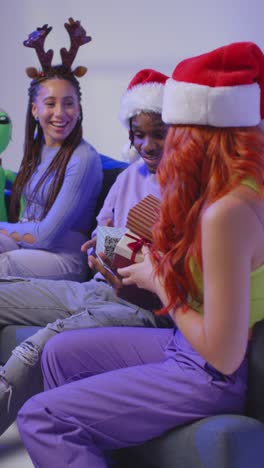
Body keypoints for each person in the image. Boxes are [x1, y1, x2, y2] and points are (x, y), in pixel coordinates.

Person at [16, 41, 264, 467]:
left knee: (40, 417)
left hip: (208, 370)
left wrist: (158, 279)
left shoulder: (227, 212)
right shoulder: (231, 193)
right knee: (59, 353)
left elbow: (223, 354)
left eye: (172, 129)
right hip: (183, 346)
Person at [0, 67, 171, 436]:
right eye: (139, 135)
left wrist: (139, 258)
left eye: (159, 134)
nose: (148, 145)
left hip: (144, 309)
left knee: (37, 348)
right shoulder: (129, 176)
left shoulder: (188, 184)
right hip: (97, 285)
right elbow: (102, 231)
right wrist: (102, 246)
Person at [0, 19, 102, 281]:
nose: (60, 113)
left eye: (68, 103)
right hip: (30, 247)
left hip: (64, 260)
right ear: (35, 110)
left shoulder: (83, 159)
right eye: (50, 103)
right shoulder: (38, 149)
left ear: (78, 109)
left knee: (4, 265)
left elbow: (47, 235)